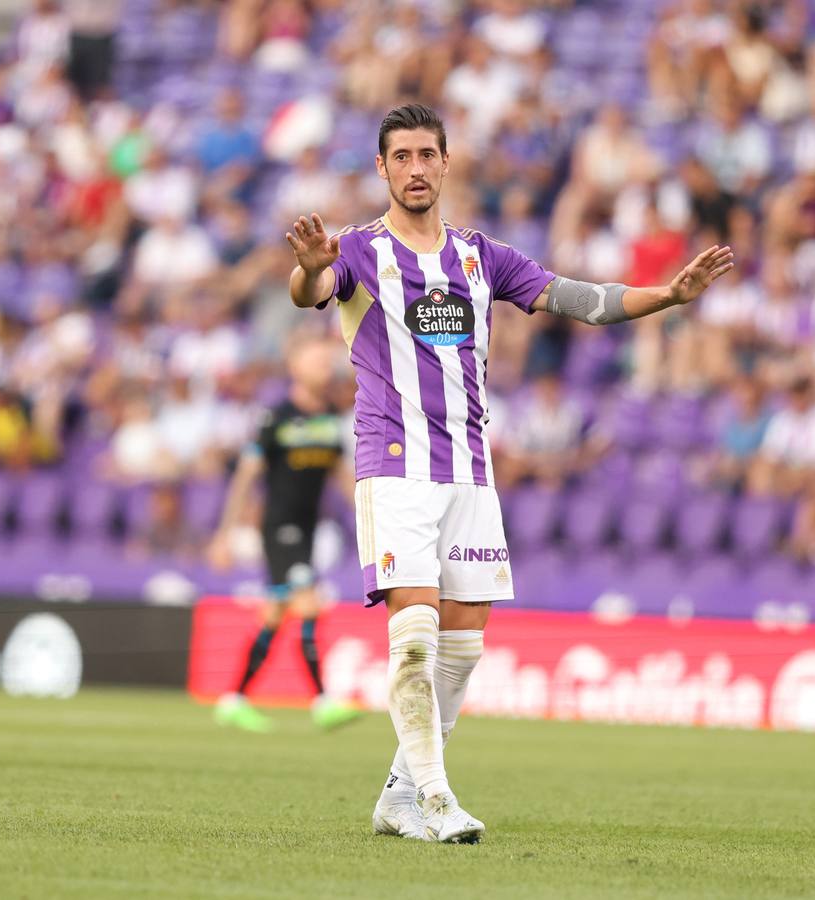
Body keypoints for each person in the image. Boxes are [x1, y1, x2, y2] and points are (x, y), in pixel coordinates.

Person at [282, 103, 733, 843]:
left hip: (469, 468)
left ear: (447, 162)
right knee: (417, 634)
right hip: (393, 463)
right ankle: (434, 798)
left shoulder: (481, 255)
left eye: (429, 153)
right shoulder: (358, 251)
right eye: (403, 156)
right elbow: (311, 292)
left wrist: (669, 297)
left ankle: (399, 791)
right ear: (383, 168)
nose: (417, 167)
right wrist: (307, 268)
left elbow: (582, 302)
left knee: (463, 645)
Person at [207, 336, 361, 734]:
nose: (325, 366)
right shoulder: (275, 417)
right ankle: (323, 700)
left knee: (275, 614)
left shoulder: (329, 417)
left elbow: (340, 473)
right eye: (316, 359)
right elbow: (246, 475)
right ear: (295, 367)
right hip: (280, 527)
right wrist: (225, 533)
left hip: (308, 529)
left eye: (328, 360)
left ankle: (234, 699)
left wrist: (367, 515)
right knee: (308, 604)